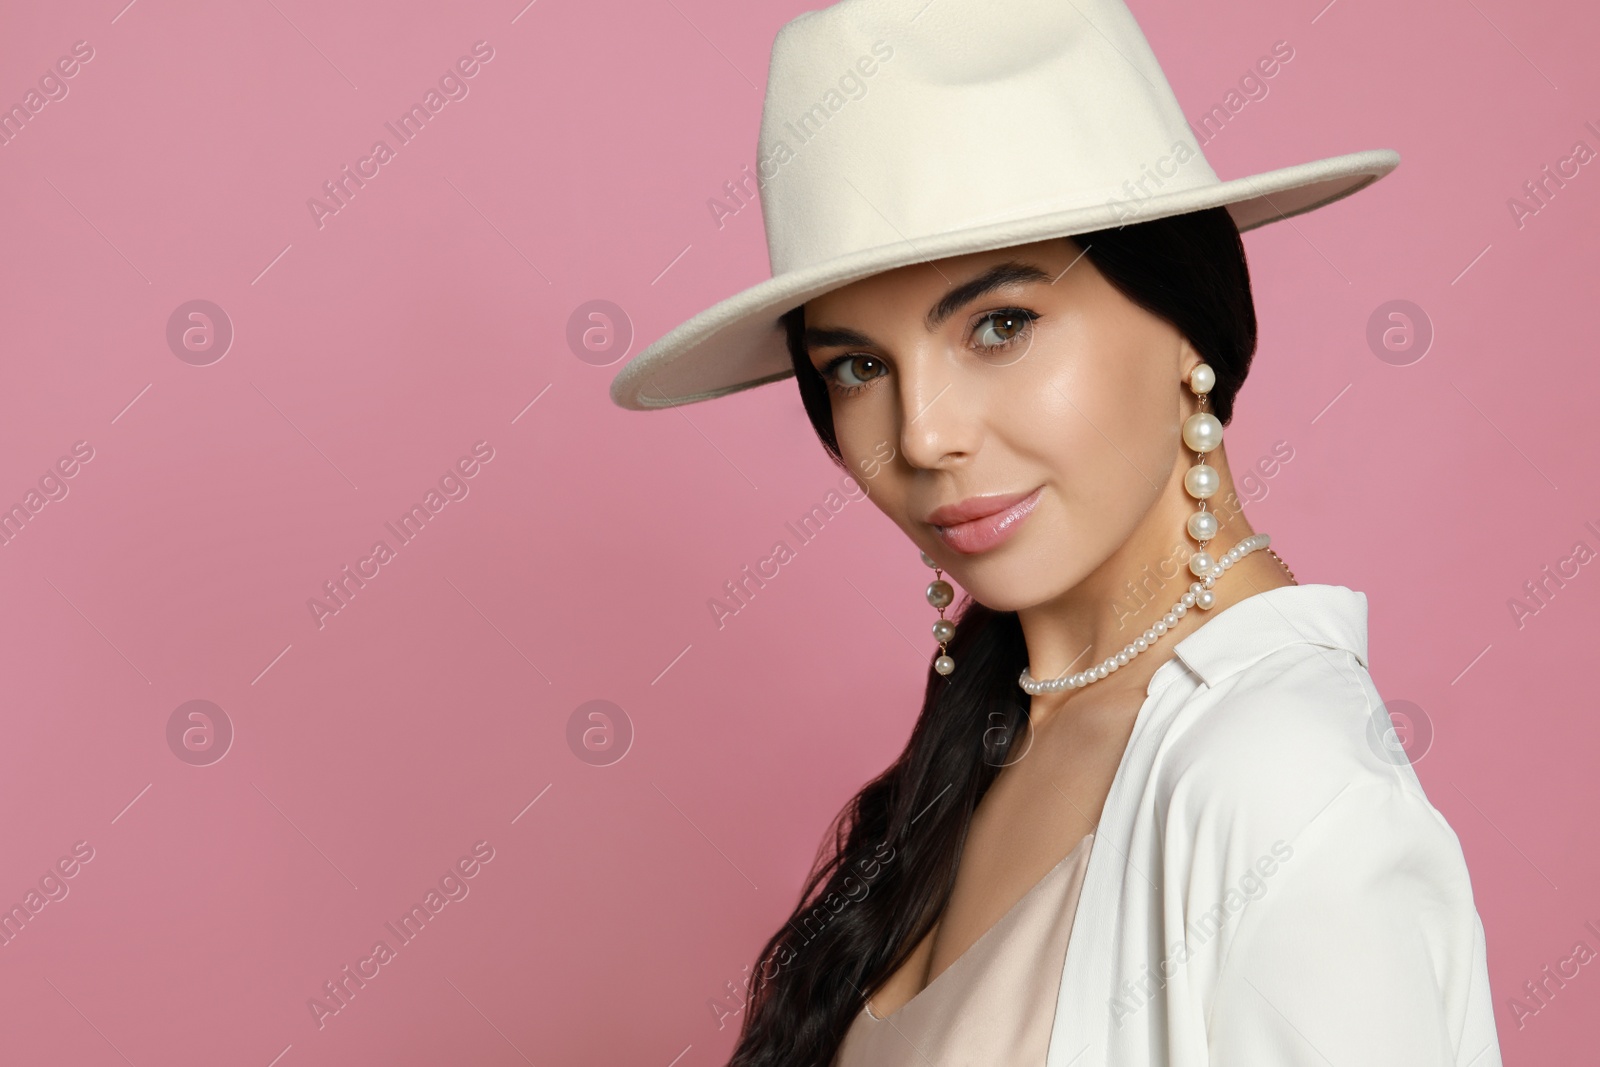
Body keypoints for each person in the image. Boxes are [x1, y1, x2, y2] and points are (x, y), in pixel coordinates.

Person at [609, 1, 1504, 1064]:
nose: (922, 433)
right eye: (855, 365)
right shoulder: (997, 730)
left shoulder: (1286, 787)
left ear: (1186, 317)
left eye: (999, 324)